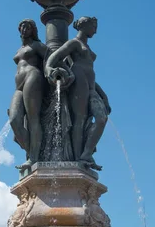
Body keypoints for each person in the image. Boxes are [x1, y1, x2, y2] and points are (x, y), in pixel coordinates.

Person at [45, 16, 110, 170]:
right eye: (93, 26)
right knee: (79, 121)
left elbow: (91, 74)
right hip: (78, 83)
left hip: (91, 87)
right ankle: (77, 159)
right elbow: (55, 57)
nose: (95, 29)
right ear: (83, 25)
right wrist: (49, 69)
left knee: (101, 119)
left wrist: (104, 96)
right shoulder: (74, 43)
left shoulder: (86, 46)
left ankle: (86, 153)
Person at [9, 19, 48, 170]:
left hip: (33, 76)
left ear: (33, 30)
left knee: (33, 119)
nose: (24, 29)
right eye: (22, 27)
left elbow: (51, 57)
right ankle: (32, 150)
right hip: (19, 84)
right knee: (14, 119)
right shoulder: (20, 49)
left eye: (28, 27)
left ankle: (34, 157)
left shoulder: (37, 45)